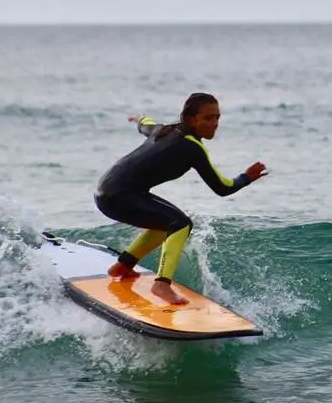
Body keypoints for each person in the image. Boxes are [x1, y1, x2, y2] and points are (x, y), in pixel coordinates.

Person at [94, 92, 268, 305]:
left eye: (217, 118)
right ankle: (162, 284)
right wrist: (246, 178)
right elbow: (222, 188)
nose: (214, 124)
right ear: (191, 119)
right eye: (208, 118)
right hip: (119, 197)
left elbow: (146, 125)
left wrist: (139, 118)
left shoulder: (164, 130)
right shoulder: (192, 147)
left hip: (107, 192)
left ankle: (122, 266)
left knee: (165, 223)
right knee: (181, 224)